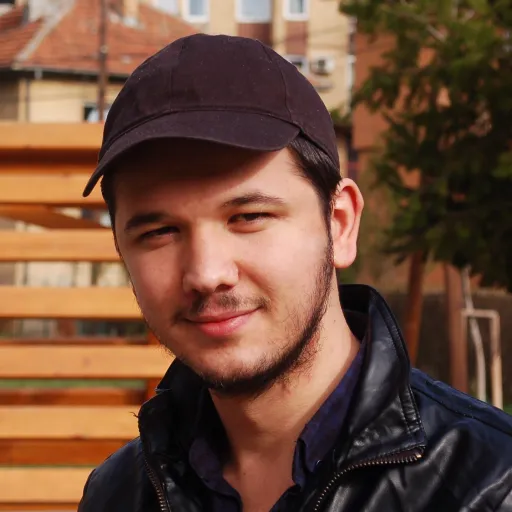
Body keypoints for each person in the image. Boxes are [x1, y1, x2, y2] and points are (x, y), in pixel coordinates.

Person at [78, 34, 512, 512]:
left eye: (248, 217)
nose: (206, 273)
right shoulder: (116, 494)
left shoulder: (491, 488)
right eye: (160, 232)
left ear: (340, 225)